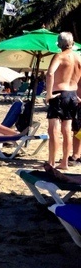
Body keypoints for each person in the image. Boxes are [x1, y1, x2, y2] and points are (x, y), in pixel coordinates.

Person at [45, 32, 81, 169]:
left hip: (59, 94)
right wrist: (77, 95)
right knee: (67, 130)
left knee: (53, 129)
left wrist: (48, 94)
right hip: (72, 95)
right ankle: (64, 162)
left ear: (59, 44)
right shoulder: (78, 58)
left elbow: (50, 73)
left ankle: (51, 162)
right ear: (72, 43)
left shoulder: (59, 56)